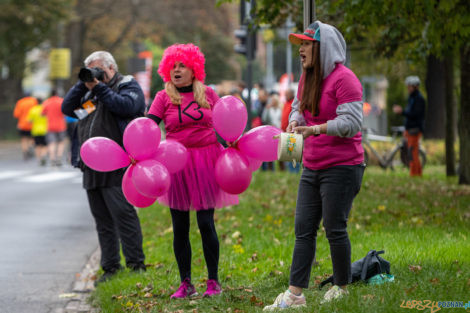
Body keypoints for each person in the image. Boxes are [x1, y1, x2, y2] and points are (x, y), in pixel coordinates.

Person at [264, 21, 365, 310]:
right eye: (301, 44)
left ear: (323, 48)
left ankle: (342, 286)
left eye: (307, 44)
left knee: (334, 226)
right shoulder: (307, 78)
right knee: (303, 228)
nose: (301, 50)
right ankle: (295, 295)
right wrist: (295, 120)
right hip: (312, 165)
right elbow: (298, 105)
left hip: (343, 166)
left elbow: (352, 122)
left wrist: (315, 130)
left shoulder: (345, 80)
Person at [147, 43, 238, 299]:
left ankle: (213, 281)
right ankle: (185, 283)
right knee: (180, 226)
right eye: (173, 67)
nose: (177, 70)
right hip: (176, 163)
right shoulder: (163, 97)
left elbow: (225, 122)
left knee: (206, 223)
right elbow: (149, 126)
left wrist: (231, 144)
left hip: (206, 160)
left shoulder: (208, 94)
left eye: (182, 66)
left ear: (193, 69)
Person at [62, 51, 146, 284]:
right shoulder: (92, 95)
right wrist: (84, 83)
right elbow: (70, 110)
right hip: (91, 165)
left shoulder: (126, 85)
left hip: (117, 162)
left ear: (110, 68)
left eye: (97, 69)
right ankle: (110, 268)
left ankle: (136, 265)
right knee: (102, 219)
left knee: (123, 214)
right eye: (90, 69)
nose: (94, 74)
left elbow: (127, 107)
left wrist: (99, 87)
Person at [393, 76, 425, 177]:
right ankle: (417, 174)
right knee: (412, 152)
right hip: (410, 129)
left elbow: (414, 115)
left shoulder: (419, 99)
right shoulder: (412, 98)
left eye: (409, 86)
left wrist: (402, 112)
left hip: (415, 129)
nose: (408, 89)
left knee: (412, 153)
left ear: (415, 87)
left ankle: (415, 174)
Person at [42, 90, 67, 166]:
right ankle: (59, 158)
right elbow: (65, 113)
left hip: (50, 126)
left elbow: (42, 114)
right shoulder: (61, 101)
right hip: (61, 125)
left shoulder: (46, 102)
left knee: (51, 143)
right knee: (61, 142)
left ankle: (52, 159)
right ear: (57, 94)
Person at [281, 90, 300, 173]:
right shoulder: (286, 103)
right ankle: (290, 171)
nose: (285, 96)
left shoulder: (294, 103)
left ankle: (294, 171)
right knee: (288, 152)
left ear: (291, 94)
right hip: (286, 131)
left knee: (294, 151)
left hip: (294, 131)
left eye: (287, 94)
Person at [13, 93, 37, 160]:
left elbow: (16, 114)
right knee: (32, 138)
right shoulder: (34, 101)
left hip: (22, 124)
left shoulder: (20, 102)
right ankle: (30, 148)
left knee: (24, 139)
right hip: (32, 124)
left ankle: (25, 151)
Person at [27, 98, 48, 166]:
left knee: (37, 146)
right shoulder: (44, 109)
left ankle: (39, 159)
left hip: (35, 130)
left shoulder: (33, 109)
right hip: (45, 129)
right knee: (45, 145)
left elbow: (30, 120)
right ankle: (43, 155)